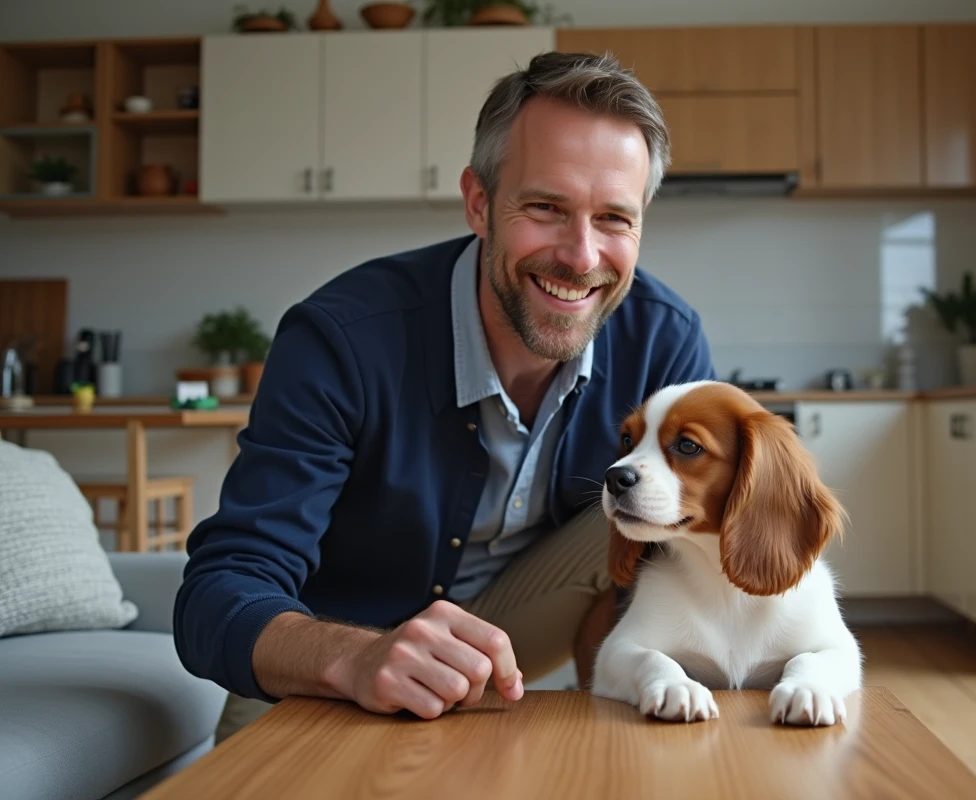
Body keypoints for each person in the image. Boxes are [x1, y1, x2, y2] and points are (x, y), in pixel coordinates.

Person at [173, 50, 717, 741]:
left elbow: (693, 558)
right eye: (547, 207)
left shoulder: (663, 343)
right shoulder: (341, 339)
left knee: (669, 507)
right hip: (325, 663)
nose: (581, 257)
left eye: (614, 218)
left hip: (499, 640)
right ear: (480, 203)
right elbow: (216, 595)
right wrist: (356, 657)